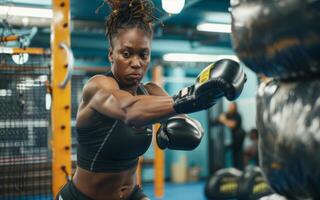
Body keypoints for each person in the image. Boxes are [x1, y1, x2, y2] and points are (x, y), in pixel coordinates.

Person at [55, 0, 246, 199]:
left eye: (143, 55)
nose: (136, 63)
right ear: (111, 54)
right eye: (126, 54)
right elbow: (129, 110)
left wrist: (190, 116)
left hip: (132, 195)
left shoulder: (151, 92)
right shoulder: (98, 87)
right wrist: (191, 96)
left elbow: (190, 124)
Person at [218, 102, 246, 170]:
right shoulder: (230, 114)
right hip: (234, 136)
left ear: (235, 107)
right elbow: (220, 118)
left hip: (239, 135)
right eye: (229, 106)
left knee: (238, 154)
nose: (230, 107)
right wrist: (223, 118)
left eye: (231, 106)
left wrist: (224, 120)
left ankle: (240, 170)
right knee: (234, 153)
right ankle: (236, 170)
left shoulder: (237, 115)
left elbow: (232, 125)